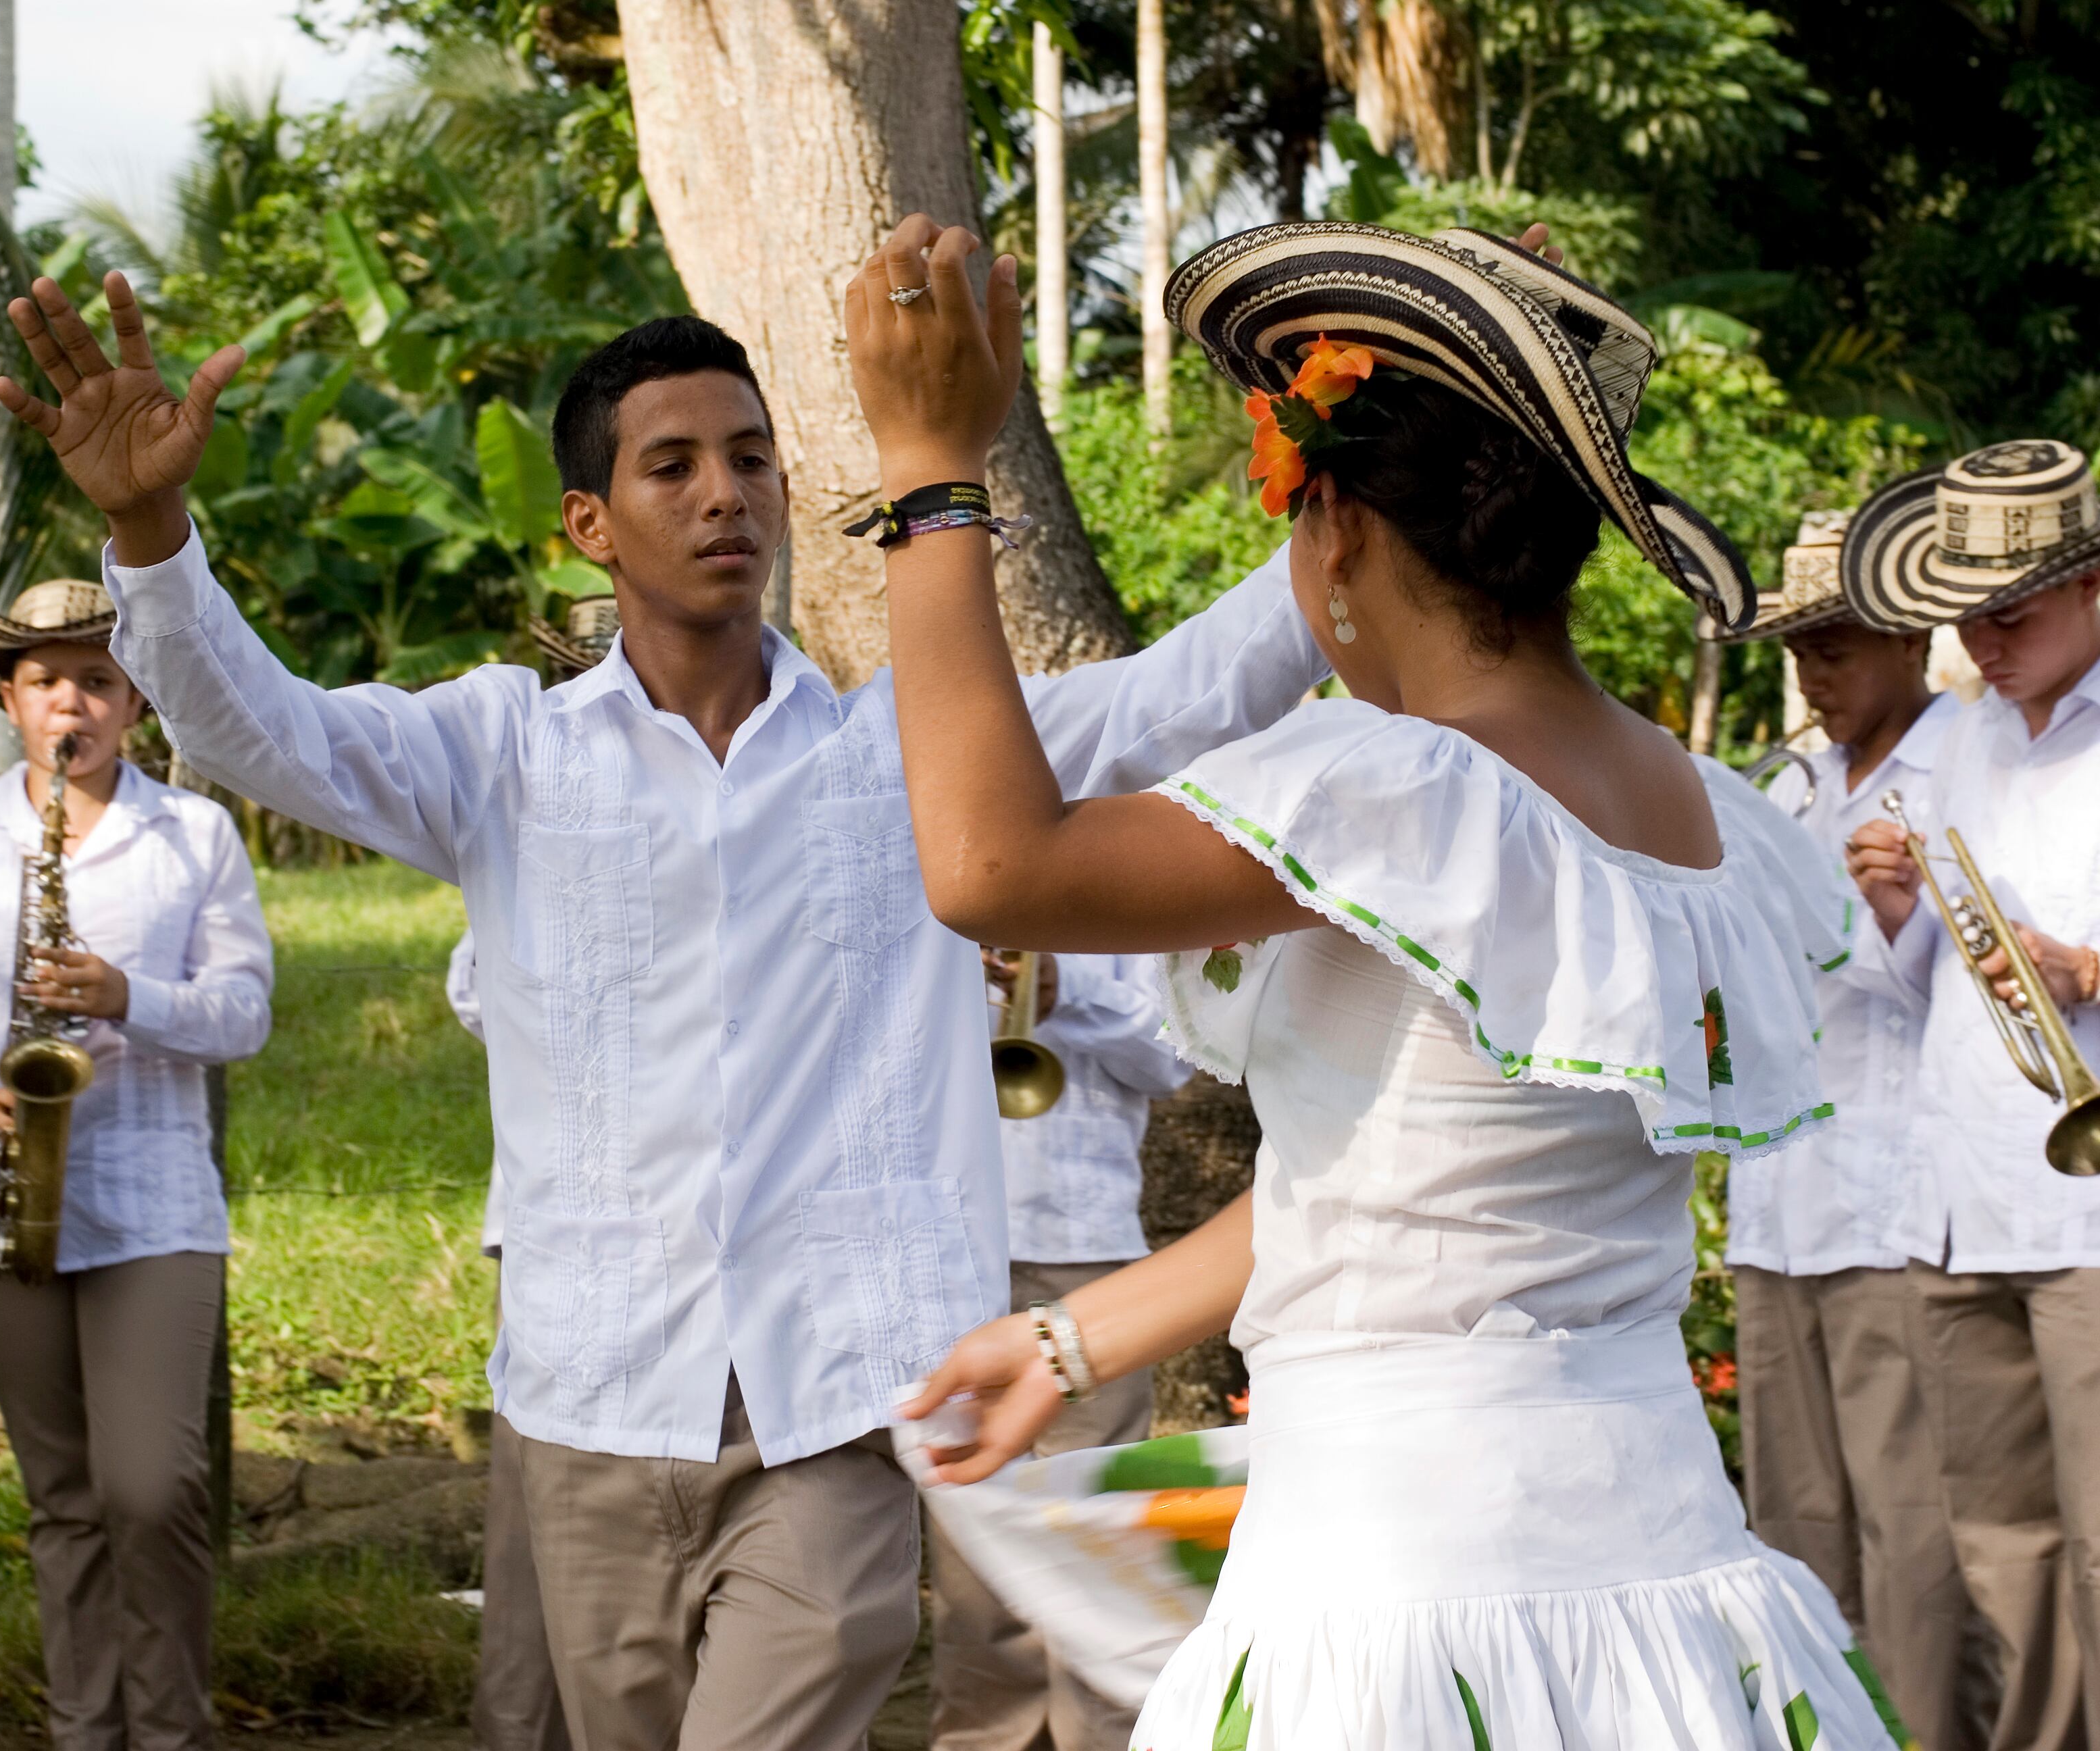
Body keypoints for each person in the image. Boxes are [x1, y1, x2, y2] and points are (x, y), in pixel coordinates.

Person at [0, 274, 1329, 1751]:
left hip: (837, 1405)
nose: (723, 495)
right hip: (595, 1404)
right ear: (589, 523)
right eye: (672, 465)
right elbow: (265, 728)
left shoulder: (914, 749)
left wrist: (1366, 453)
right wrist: (148, 538)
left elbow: (1203, 686)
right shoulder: (500, 748)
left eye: (749, 458)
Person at [861, 214, 1905, 1746]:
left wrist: (930, 470)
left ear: (1333, 532)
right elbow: (1406, 1179)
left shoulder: (1399, 782)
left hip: (1401, 1613)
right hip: (1662, 1592)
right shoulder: (1697, 809)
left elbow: (987, 867)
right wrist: (1074, 1336)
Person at [0, 580, 274, 1751]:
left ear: (136, 698)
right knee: (64, 1497)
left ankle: (171, 1730)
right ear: (9, 696)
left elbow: (242, 1011)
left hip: (154, 1198)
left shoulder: (196, 835)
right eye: (45, 680)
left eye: (97, 679)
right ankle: (83, 1729)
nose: (70, 703)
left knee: (152, 1488)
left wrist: (125, 996)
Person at [1839, 441, 2100, 1751]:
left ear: (2094, 589)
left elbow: (2054, 976)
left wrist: (2085, 967)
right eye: (1966, 613)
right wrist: (1894, 908)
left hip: (2086, 1219)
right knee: (2002, 1549)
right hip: (1952, 1201)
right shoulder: (1959, 754)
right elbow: (1913, 997)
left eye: (2016, 610)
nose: (1983, 641)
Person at [1720, 514, 1977, 1750]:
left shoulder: (1969, 767)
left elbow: (1963, 1002)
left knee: (1910, 1532)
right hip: (1776, 1202)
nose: (1815, 672)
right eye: (1800, 648)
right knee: (1793, 1523)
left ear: (1910, 633)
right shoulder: (1784, 784)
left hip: (1890, 1205)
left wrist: (1884, 914)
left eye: (1837, 643)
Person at [932, 950, 1187, 1751]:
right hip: (948, 1236)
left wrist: (1063, 990)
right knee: (971, 1549)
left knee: (1097, 1525)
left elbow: (1173, 1057)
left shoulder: (1131, 836)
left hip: (1084, 1240)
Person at [444, 928, 574, 1751]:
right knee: (543, 1521)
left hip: (774, 1230)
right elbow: (473, 984)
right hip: (570, 1224)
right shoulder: (553, 799)